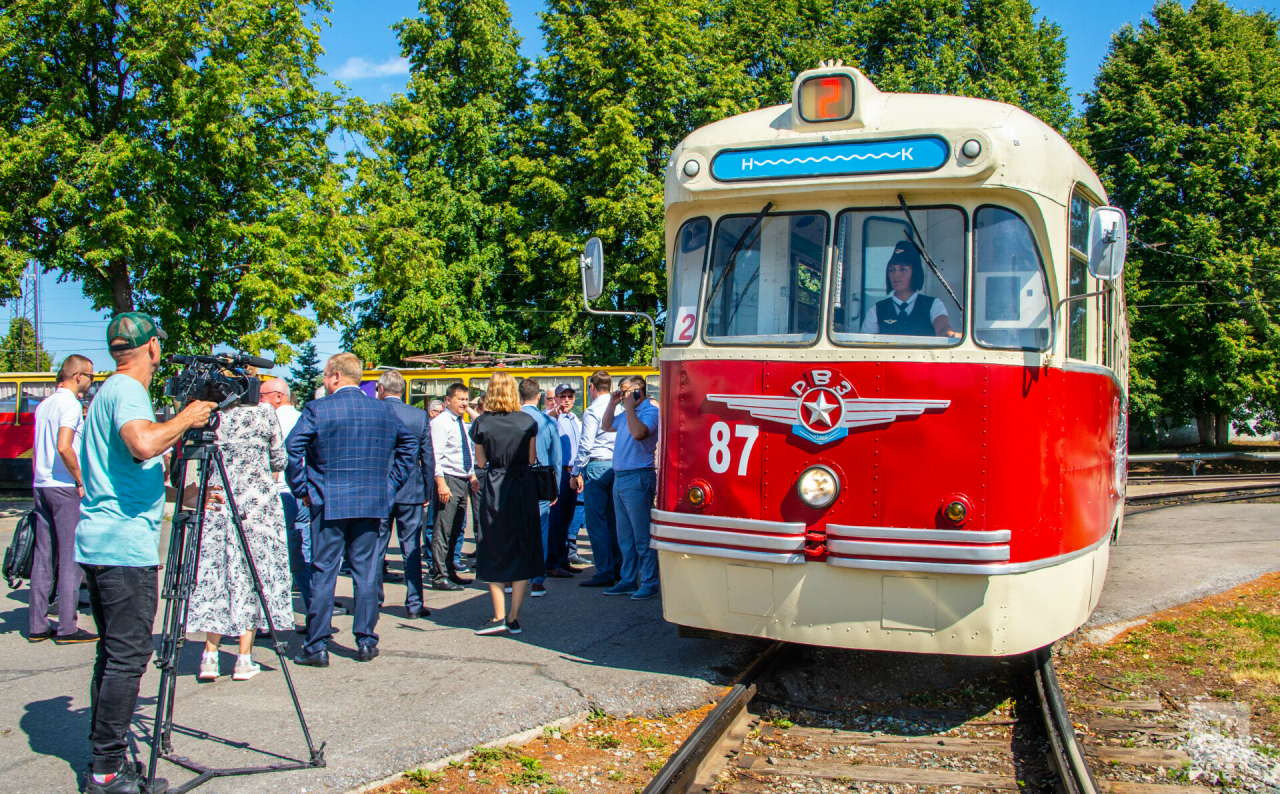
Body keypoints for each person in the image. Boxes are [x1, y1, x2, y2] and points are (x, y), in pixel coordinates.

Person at [76, 312, 215, 794]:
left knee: (114, 655)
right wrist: (188, 417)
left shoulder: (106, 391)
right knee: (129, 657)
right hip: (122, 546)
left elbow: (124, 469)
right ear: (153, 348)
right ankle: (108, 771)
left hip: (103, 537)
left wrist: (185, 495)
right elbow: (141, 443)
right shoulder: (128, 390)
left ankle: (105, 759)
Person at [287, 353, 416, 666]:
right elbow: (409, 445)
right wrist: (390, 484)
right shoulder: (382, 410)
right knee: (366, 572)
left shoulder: (318, 409)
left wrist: (303, 489)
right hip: (372, 501)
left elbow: (293, 448)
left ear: (334, 376)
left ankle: (316, 645)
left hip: (328, 501)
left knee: (324, 571)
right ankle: (366, 641)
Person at [187, 400, 294, 681]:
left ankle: (209, 655)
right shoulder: (264, 412)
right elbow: (279, 459)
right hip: (256, 503)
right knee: (252, 574)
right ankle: (243, 659)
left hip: (218, 499)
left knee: (218, 575)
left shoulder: (210, 413)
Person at [29, 355, 97, 644]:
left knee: (44, 555)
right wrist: (80, 479)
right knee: (71, 556)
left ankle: (37, 624)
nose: (91, 383)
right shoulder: (70, 404)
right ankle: (67, 627)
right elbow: (63, 445)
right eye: (91, 377)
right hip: (64, 486)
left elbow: (38, 448)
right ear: (78, 376)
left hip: (41, 484)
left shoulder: (44, 405)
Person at [470, 373, 541, 634]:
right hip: (523, 486)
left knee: (494, 546)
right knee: (524, 547)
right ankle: (514, 617)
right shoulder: (527, 421)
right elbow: (532, 459)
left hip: (496, 486)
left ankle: (498, 615)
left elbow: (480, 463)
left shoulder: (481, 423)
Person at [375, 370, 434, 618]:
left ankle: (373, 599)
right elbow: (427, 457)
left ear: (380, 389)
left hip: (378, 490)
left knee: (376, 547)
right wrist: (427, 490)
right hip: (411, 491)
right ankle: (414, 604)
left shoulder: (374, 411)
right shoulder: (419, 416)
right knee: (411, 547)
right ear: (402, 390)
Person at [260, 378, 318, 617]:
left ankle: (271, 615)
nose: (259, 399)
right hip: (300, 494)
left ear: (278, 396)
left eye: (263, 394)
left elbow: (277, 460)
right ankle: (316, 607)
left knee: (279, 554)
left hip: (282, 494)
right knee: (302, 552)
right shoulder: (302, 417)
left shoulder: (273, 420)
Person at [601, 376, 661, 600]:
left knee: (641, 535)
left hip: (638, 477)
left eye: (627, 391)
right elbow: (606, 425)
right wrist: (612, 403)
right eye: (621, 391)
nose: (623, 394)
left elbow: (640, 434)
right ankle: (627, 580)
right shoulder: (627, 412)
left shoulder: (649, 412)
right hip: (621, 477)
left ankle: (649, 582)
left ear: (639, 392)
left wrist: (628, 409)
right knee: (625, 535)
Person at [571, 371, 622, 587]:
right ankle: (619, 567)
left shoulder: (593, 411)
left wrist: (576, 471)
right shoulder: (619, 408)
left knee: (595, 522)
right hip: (616, 464)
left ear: (592, 387)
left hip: (597, 465)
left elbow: (585, 444)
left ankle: (604, 570)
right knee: (613, 520)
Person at [429, 383, 478, 591]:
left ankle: (450, 571)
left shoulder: (460, 422)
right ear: (448, 400)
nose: (464, 403)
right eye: (460, 399)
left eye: (466, 400)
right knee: (443, 530)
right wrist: (441, 483)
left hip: (463, 479)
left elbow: (465, 452)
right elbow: (435, 456)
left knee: (457, 529)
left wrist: (472, 475)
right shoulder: (441, 422)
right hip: (448, 480)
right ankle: (439, 575)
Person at [859, 240, 959, 337]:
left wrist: (951, 335)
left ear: (915, 273)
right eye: (892, 269)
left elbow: (943, 329)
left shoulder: (933, 305)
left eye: (903, 269)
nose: (896, 274)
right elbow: (865, 343)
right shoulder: (876, 310)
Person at [519, 379, 562, 597]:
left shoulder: (512, 421)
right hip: (541, 481)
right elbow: (556, 460)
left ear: (519, 396)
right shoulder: (548, 422)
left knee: (518, 530)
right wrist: (556, 490)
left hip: (516, 481)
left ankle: (514, 578)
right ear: (538, 397)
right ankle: (537, 580)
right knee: (541, 530)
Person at [544, 384, 582, 575]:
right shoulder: (551, 416)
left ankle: (563, 557)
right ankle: (552, 563)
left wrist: (579, 472)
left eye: (570, 396)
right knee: (557, 519)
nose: (567, 400)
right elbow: (543, 424)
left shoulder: (574, 418)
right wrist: (554, 413)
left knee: (567, 517)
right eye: (562, 396)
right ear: (555, 399)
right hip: (558, 472)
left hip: (572, 472)